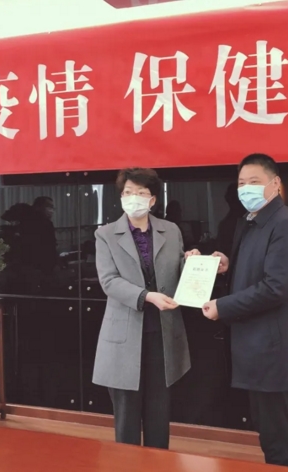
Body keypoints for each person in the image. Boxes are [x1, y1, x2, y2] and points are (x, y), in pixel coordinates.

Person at [199, 153, 288, 468]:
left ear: (275, 184)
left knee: (278, 438)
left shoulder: (286, 224)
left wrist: (222, 307)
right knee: (268, 433)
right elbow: (258, 271)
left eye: (254, 182)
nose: (246, 189)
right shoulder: (253, 222)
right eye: (241, 183)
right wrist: (228, 265)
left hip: (273, 350)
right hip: (256, 346)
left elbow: (276, 288)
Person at [92, 167, 191, 450]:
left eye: (141, 192)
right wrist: (147, 296)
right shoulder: (105, 234)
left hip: (162, 331)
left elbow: (179, 274)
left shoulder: (171, 230)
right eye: (128, 192)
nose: (133, 197)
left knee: (159, 410)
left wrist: (192, 262)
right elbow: (109, 282)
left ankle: (158, 463)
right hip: (124, 335)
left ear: (153, 200)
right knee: (127, 413)